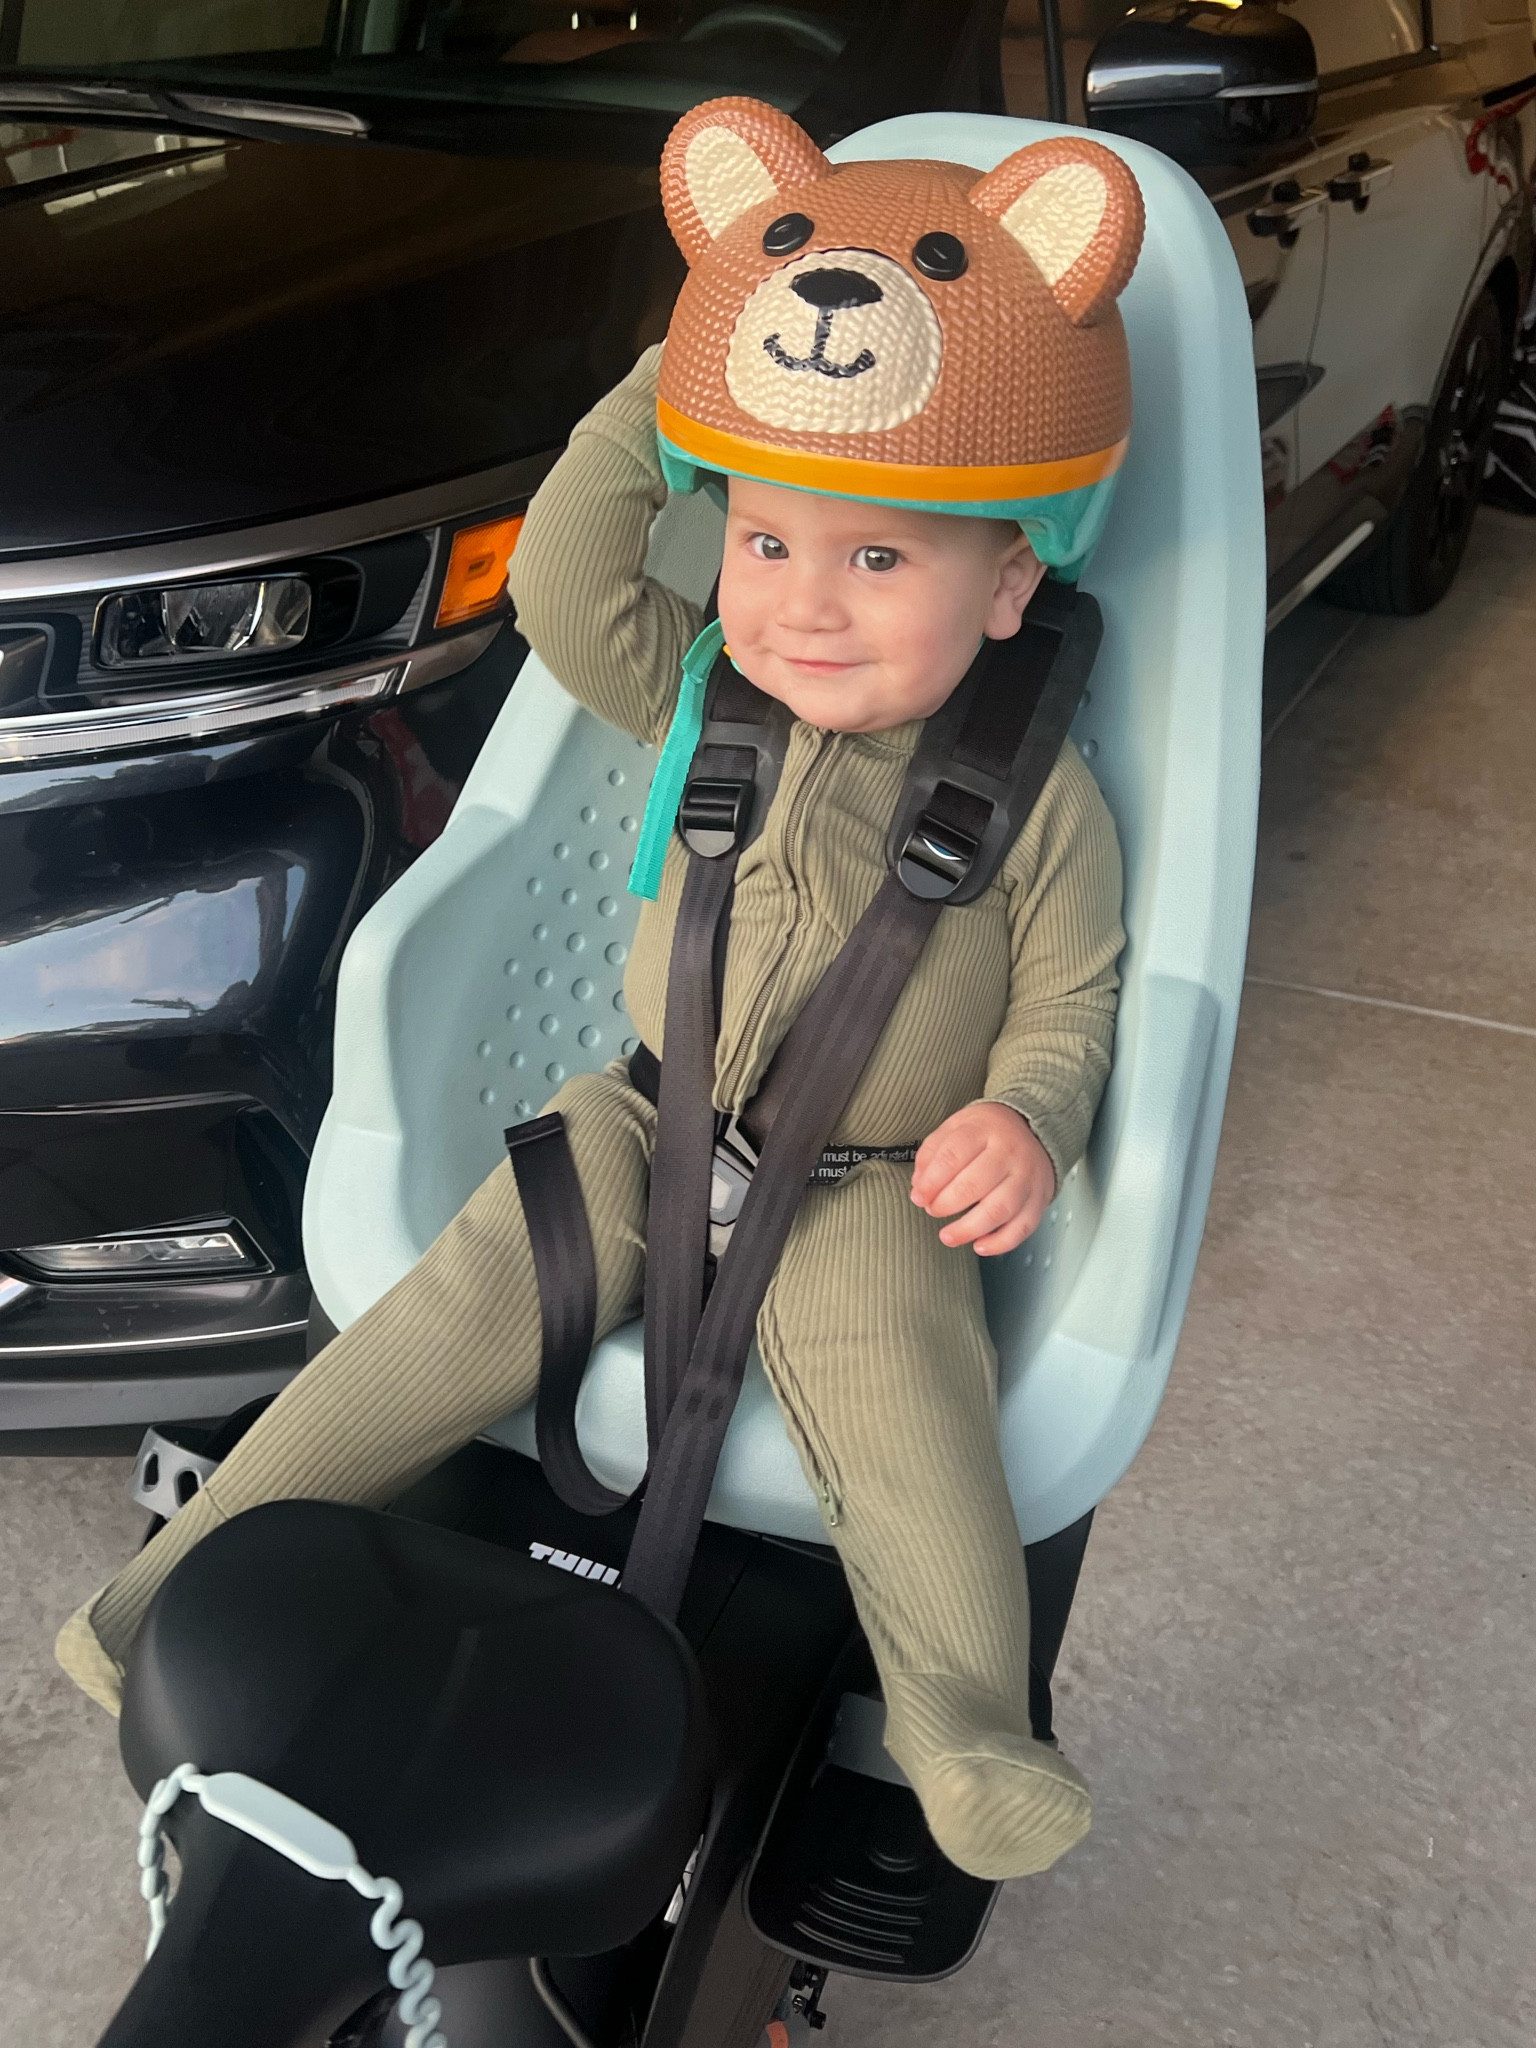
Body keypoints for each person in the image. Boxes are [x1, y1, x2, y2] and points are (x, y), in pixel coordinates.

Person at [58, 98, 1142, 1884]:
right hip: (649, 1119)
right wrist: (680, 379)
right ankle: (161, 1594)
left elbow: (1073, 1004)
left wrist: (1024, 1119)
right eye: (770, 542)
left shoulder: (1041, 797)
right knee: (436, 1321)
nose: (807, 605)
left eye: (881, 559)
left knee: (915, 1426)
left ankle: (958, 1723)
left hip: (869, 1189)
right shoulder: (703, 693)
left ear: (1010, 578)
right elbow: (567, 576)